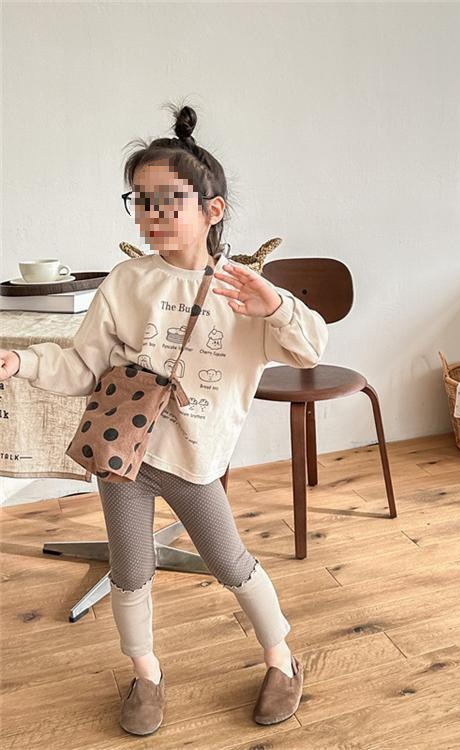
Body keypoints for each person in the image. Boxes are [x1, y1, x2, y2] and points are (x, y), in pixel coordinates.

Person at [0, 101, 328, 735]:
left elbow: (309, 350)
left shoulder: (243, 290)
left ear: (213, 209)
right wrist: (23, 362)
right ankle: (145, 674)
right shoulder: (127, 282)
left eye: (167, 201)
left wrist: (276, 307)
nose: (150, 214)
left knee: (230, 563)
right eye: (140, 201)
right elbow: (84, 364)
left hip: (194, 460)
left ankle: (281, 659)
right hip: (124, 453)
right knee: (130, 570)